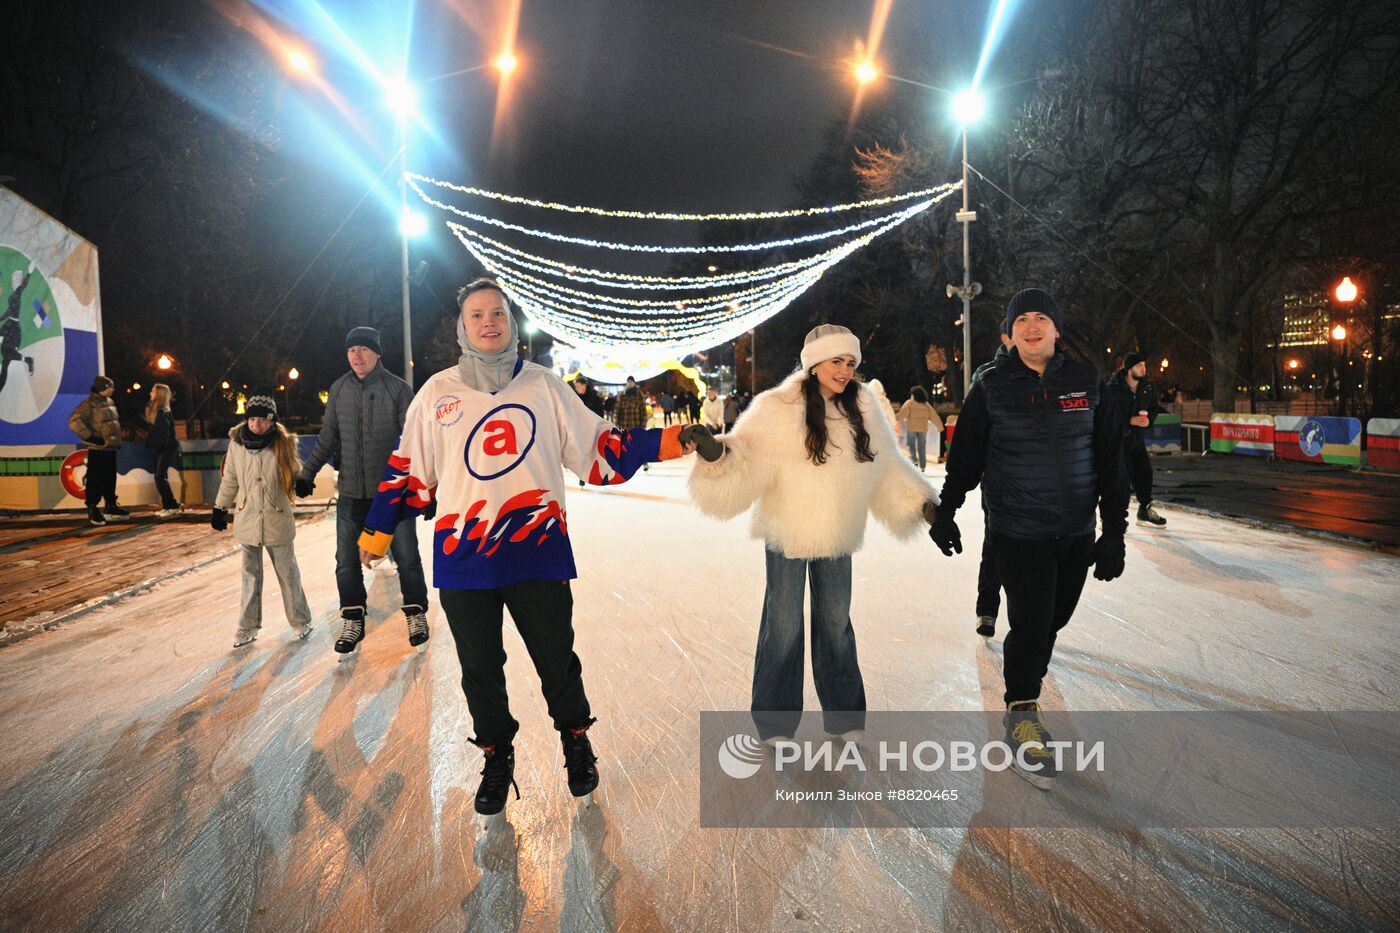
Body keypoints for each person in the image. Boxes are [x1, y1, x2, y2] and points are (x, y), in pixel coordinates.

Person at [356, 277, 686, 817]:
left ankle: (576, 741)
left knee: (557, 660)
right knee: (479, 669)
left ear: (511, 323)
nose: (489, 322)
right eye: (478, 315)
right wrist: (375, 530)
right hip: (465, 559)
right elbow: (406, 468)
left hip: (537, 550)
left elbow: (603, 447)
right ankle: (496, 755)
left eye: (498, 314)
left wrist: (672, 441)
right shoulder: (437, 393)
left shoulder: (543, 386)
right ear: (463, 328)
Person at [682, 324, 938, 745]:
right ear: (814, 362)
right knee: (783, 625)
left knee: (835, 622)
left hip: (837, 533)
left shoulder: (864, 406)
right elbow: (745, 453)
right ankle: (775, 723)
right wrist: (715, 453)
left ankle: (845, 718)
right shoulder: (777, 406)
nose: (844, 370)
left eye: (850, 363)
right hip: (788, 532)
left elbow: (888, 467)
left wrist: (924, 506)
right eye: (837, 361)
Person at [929, 288, 1128, 789]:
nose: (1033, 327)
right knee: (1033, 623)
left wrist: (1114, 533)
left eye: (1043, 318)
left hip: (1077, 530)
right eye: (1023, 321)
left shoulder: (1086, 381)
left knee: (1052, 620)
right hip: (1019, 531)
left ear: (1057, 329)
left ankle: (1027, 686)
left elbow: (1111, 461)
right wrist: (947, 510)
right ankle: (1021, 716)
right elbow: (966, 458)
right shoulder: (992, 387)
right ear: (1011, 332)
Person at [296, 326, 429, 656]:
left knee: (407, 557)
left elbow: (416, 442)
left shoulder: (397, 389)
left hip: (392, 494)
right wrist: (306, 473)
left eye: (363, 349)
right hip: (352, 493)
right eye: (351, 349)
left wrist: (426, 487)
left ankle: (416, 613)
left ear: (377, 353)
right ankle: (352, 616)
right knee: (345, 561)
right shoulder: (339, 389)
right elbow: (327, 438)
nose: (357, 355)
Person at [212, 392, 313, 648]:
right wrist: (220, 507)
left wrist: (302, 483)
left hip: (277, 517)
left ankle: (300, 620)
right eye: (252, 419)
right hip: (247, 518)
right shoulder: (236, 444)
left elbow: (295, 470)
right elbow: (231, 479)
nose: (256, 424)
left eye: (262, 420)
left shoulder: (283, 443)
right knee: (250, 576)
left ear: (272, 421)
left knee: (287, 572)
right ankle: (247, 627)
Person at [1111, 353, 1166, 527]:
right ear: (1129, 368)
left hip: (1136, 440)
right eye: (1139, 365)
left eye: (1144, 365)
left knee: (1144, 473)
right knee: (1120, 479)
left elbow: (1154, 407)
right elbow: (1106, 415)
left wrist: (1149, 419)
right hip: (1118, 442)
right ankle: (1113, 517)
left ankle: (1144, 510)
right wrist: (1129, 421)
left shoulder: (1147, 387)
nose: (1143, 369)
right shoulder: (1113, 389)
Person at [68, 375, 127, 526]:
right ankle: (93, 507)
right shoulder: (89, 404)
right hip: (98, 448)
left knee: (109, 478)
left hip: (110, 448)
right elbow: (74, 421)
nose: (112, 389)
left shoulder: (110, 401)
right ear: (102, 388)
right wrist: (91, 438)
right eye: (109, 387)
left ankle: (110, 505)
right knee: (95, 479)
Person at [143, 383, 182, 515]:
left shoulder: (163, 412)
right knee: (160, 476)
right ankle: (168, 505)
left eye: (153, 391)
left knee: (159, 477)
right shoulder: (156, 410)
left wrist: (160, 446)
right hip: (160, 447)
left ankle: (171, 505)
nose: (150, 393)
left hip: (165, 448)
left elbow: (165, 433)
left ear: (159, 394)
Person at [1, 266, 37, 396]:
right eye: (13, 279)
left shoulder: (17, 293)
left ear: (20, 281)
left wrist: (30, 272)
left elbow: (24, 285)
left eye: (16, 279)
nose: (14, 281)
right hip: (9, 326)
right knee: (5, 361)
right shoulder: (13, 295)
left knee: (7, 358)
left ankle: (27, 360)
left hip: (14, 329)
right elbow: (8, 312)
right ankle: (27, 360)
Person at [896, 386, 942, 471]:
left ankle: (914, 461)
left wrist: (894, 418)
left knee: (911, 445)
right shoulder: (926, 405)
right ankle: (923, 466)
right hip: (923, 429)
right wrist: (940, 426)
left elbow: (903, 413)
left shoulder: (909, 403)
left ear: (914, 395)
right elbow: (934, 416)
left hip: (911, 429)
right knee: (922, 447)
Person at [571, 376, 606, 486]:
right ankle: (582, 476)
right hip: (580, 429)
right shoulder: (575, 397)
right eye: (575, 386)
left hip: (593, 429)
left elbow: (600, 413)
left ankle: (601, 474)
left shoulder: (594, 397)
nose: (576, 388)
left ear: (583, 385)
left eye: (577, 386)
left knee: (595, 453)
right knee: (582, 454)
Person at [612, 375, 650, 472]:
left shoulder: (639, 395)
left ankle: (644, 462)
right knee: (624, 445)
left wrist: (643, 425)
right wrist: (616, 423)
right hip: (624, 425)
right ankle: (623, 464)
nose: (629, 383)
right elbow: (617, 410)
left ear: (634, 383)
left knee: (639, 444)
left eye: (631, 382)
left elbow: (643, 411)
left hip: (636, 424)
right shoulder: (622, 395)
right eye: (628, 382)